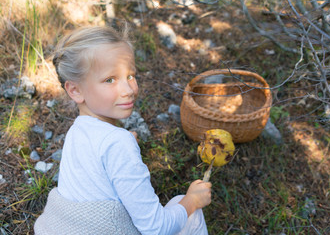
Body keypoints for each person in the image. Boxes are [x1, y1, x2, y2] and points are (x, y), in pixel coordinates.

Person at [34, 25, 212, 235]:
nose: (128, 90)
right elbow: (156, 228)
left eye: (130, 75)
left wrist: (124, 144)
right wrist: (192, 200)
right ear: (75, 90)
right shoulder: (118, 143)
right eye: (110, 80)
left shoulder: (77, 131)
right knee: (184, 207)